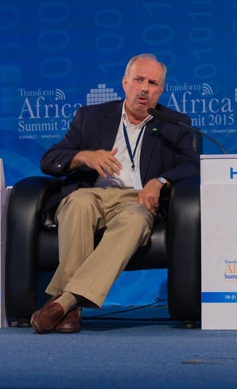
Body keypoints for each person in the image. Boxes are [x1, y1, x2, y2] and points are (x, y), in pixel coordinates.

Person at [29, 53, 200, 334]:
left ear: (161, 90)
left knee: (135, 219)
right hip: (93, 194)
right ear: (125, 83)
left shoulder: (174, 123)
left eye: (153, 83)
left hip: (137, 200)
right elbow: (50, 159)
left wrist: (159, 181)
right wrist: (83, 156)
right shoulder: (92, 117)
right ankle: (70, 304)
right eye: (138, 80)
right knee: (78, 203)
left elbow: (192, 165)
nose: (144, 88)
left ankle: (65, 303)